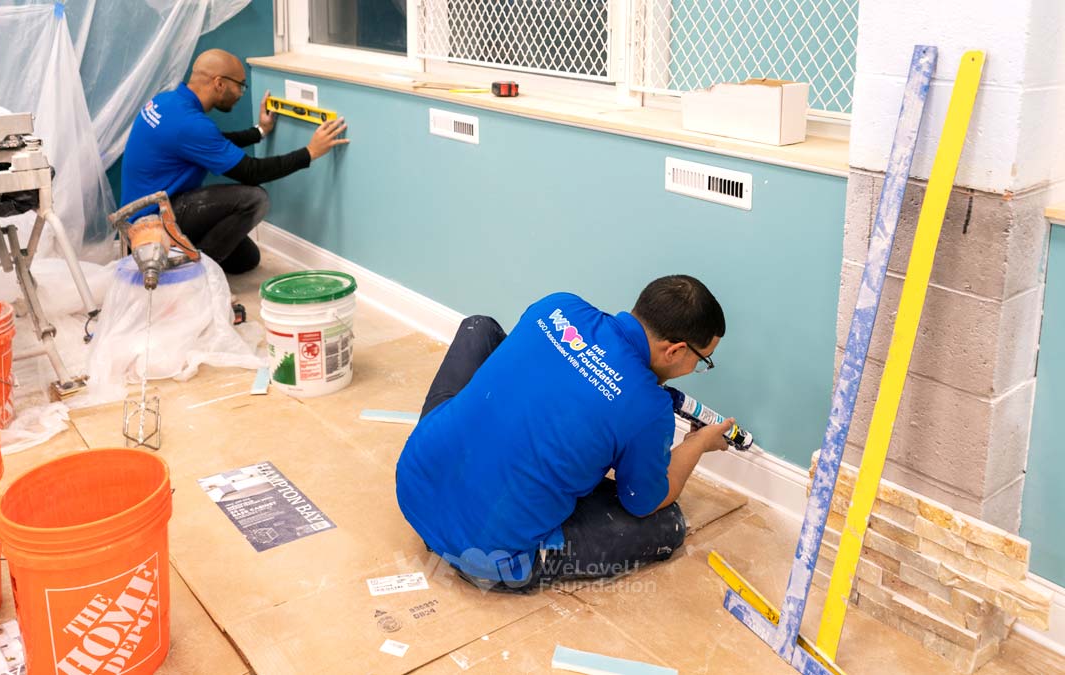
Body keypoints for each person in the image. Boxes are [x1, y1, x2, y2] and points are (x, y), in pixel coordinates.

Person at [396, 274, 733, 592]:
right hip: (486, 552)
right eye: (703, 360)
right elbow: (645, 502)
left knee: (480, 328)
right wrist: (699, 443)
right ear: (674, 350)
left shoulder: (558, 306)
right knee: (667, 523)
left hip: (415, 486)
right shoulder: (648, 406)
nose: (696, 369)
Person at [119, 49, 348, 274]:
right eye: (240, 85)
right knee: (255, 199)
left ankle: (182, 254)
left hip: (142, 213)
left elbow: (213, 142)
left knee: (247, 259)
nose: (241, 93)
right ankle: (195, 276)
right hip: (152, 225)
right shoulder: (191, 125)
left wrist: (259, 131)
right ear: (219, 83)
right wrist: (309, 152)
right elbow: (252, 172)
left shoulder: (168, 102)